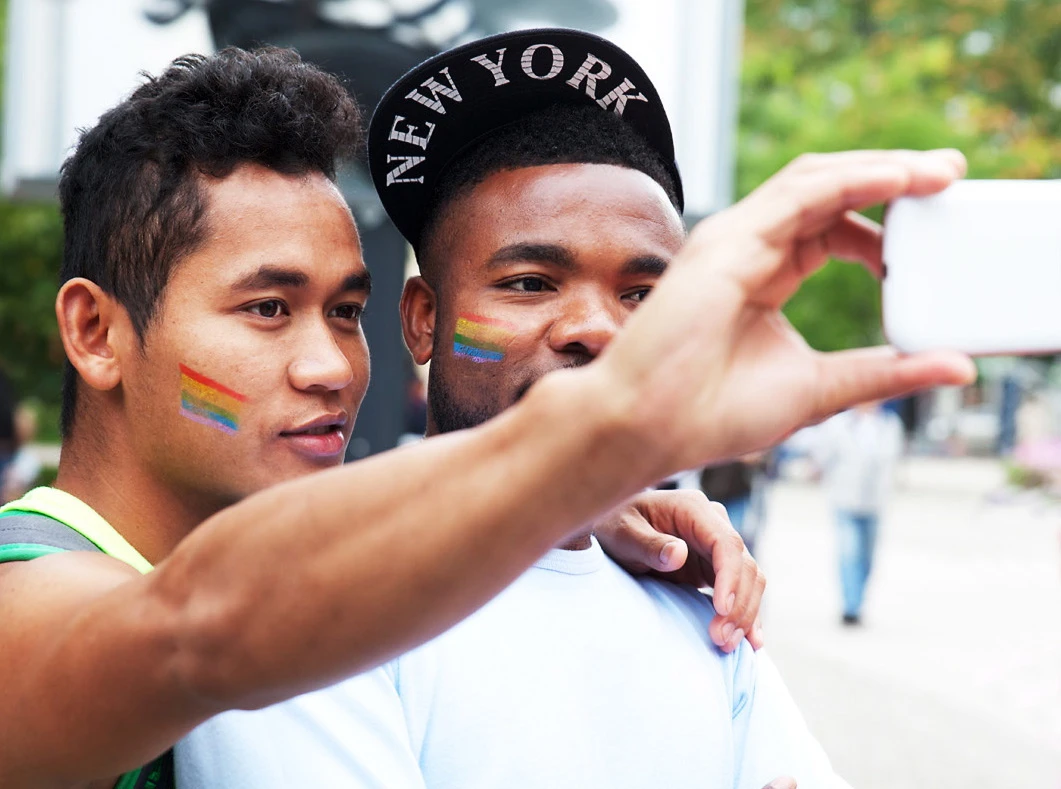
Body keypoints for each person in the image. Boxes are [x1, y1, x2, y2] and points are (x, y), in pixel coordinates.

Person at [0, 41, 973, 789]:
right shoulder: (28, 587)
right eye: (265, 308)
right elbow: (201, 630)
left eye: (346, 312)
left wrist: (570, 509)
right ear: (95, 331)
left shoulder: (669, 594)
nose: (329, 365)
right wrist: (595, 445)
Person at [809, 401, 905, 626]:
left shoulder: (890, 425)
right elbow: (823, 456)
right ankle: (850, 606)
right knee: (848, 552)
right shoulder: (840, 425)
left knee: (867, 557)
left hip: (875, 503)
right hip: (845, 499)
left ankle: (859, 600)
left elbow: (895, 462)